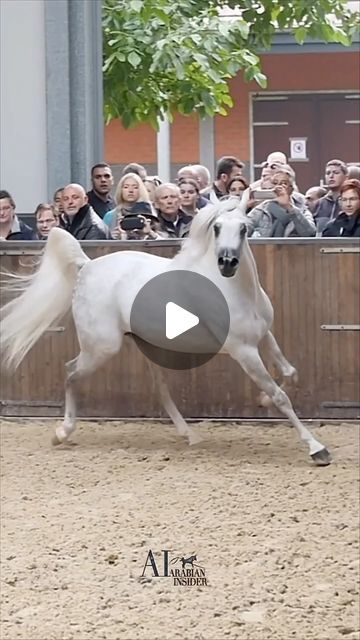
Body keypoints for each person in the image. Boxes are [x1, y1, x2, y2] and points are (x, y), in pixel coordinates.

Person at [246, 168, 316, 238]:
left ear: (291, 188)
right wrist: (244, 207)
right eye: (275, 183)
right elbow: (243, 231)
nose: (278, 186)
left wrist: (289, 207)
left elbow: (310, 233)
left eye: (284, 183)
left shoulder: (301, 208)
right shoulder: (262, 209)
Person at [104, 172, 159, 239]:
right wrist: (112, 238)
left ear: (141, 190)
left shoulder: (150, 212)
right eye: (126, 187)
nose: (130, 190)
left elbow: (162, 241)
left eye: (135, 187)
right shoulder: (110, 216)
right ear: (120, 190)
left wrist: (149, 233)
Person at [315, 159, 348, 233]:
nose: (331, 176)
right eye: (328, 173)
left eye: (336, 173)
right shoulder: (320, 203)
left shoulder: (351, 201)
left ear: (346, 177)